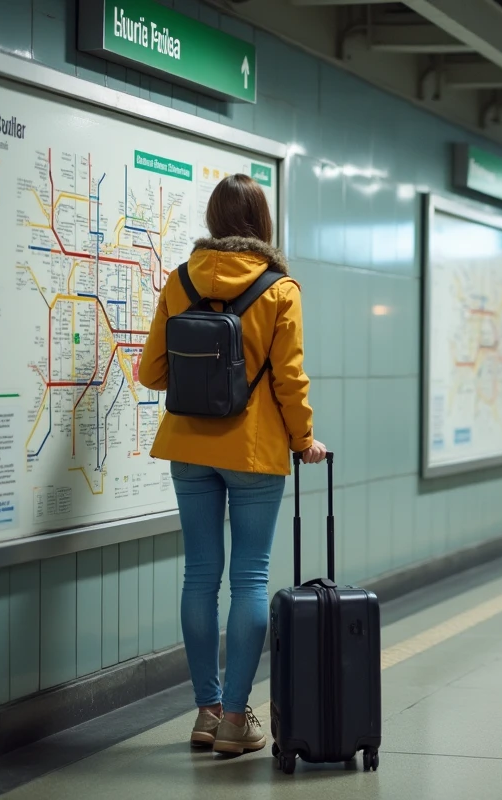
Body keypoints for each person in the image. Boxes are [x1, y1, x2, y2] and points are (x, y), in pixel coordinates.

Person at [138, 174, 327, 755]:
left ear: (214, 220)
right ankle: (236, 720)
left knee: (200, 575)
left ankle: (206, 710)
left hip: (189, 448)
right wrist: (304, 440)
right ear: (261, 222)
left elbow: (151, 373)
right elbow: (290, 379)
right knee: (249, 577)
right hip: (253, 451)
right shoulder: (280, 289)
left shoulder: (180, 280)